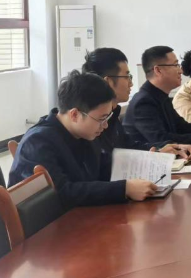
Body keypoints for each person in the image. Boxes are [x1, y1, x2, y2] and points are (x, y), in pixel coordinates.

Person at [8, 71, 158, 208]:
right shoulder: (38, 142)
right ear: (74, 115)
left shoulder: (83, 133)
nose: (105, 125)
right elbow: (62, 193)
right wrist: (124, 189)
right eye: (101, 119)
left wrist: (144, 165)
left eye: (108, 118)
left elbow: (104, 167)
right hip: (53, 224)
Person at [82, 48, 191, 174]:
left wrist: (160, 149)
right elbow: (105, 167)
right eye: (127, 77)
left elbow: (130, 146)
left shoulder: (112, 115)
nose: (131, 83)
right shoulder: (90, 123)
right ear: (108, 82)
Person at [123, 46, 191, 147]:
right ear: (158, 70)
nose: (180, 71)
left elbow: (181, 126)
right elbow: (162, 139)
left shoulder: (161, 96)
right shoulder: (143, 102)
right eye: (175, 65)